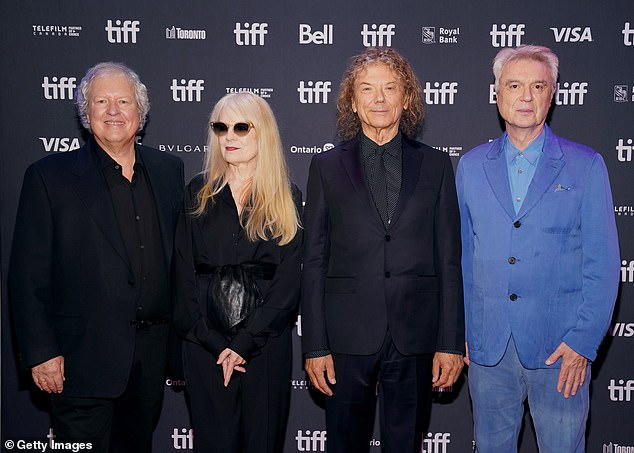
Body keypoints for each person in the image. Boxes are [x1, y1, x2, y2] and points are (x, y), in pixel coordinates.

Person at [9, 62, 184, 452]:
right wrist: (41, 352)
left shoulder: (168, 170)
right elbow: (27, 275)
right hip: (79, 361)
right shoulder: (49, 177)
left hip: (150, 360)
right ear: (86, 115)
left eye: (123, 101)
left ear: (140, 113)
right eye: (101, 102)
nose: (113, 111)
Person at [456, 45, 620, 452]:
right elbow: (460, 257)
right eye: (514, 85)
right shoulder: (470, 167)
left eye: (538, 86)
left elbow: (603, 265)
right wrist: (460, 331)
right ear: (497, 93)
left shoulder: (586, 166)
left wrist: (583, 342)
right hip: (488, 350)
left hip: (560, 351)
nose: (525, 96)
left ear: (553, 94)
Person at [301, 47, 465, 453]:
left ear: (406, 98)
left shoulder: (437, 165)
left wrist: (450, 341)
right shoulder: (325, 167)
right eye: (368, 89)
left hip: (415, 334)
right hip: (346, 337)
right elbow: (315, 260)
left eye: (390, 88)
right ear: (352, 101)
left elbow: (449, 259)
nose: (379, 98)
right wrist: (315, 345)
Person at [173, 92, 302, 453]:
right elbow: (181, 276)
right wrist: (218, 346)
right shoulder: (196, 193)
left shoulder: (286, 197)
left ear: (263, 134)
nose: (228, 136)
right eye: (221, 127)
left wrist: (242, 344)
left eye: (241, 127)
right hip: (204, 347)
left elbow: (288, 286)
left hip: (265, 347)